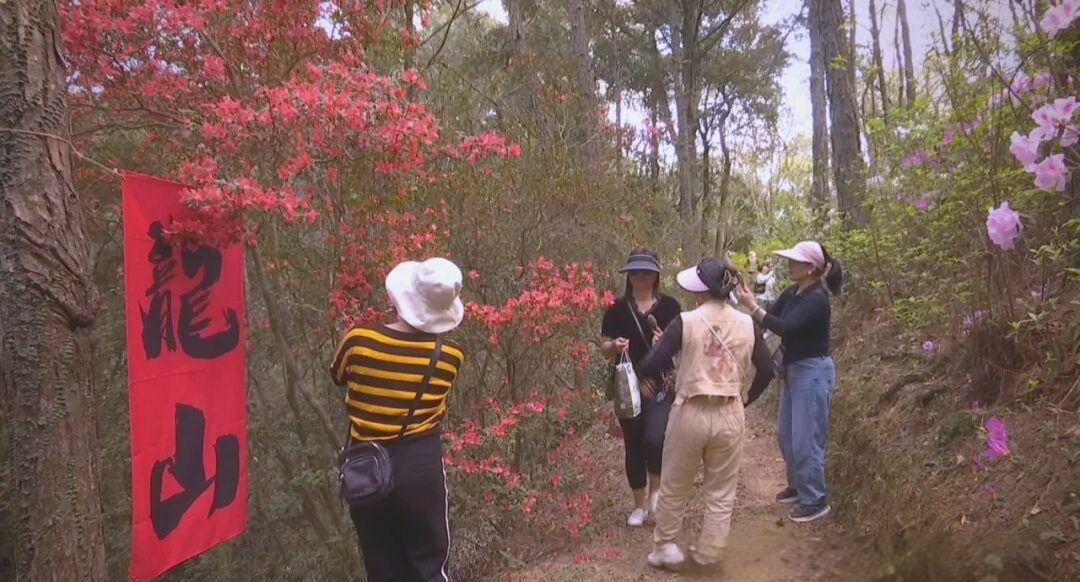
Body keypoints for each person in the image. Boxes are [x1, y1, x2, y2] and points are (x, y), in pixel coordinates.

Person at [330, 257, 466, 582]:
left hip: (365, 465)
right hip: (420, 467)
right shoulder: (450, 358)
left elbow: (338, 375)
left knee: (382, 567)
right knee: (429, 567)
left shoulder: (359, 341)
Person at [637, 258, 776, 571]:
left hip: (690, 410)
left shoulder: (685, 321)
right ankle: (709, 553)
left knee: (675, 484)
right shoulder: (748, 324)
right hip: (730, 411)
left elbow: (650, 364)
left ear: (700, 290)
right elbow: (767, 370)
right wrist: (746, 399)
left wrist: (668, 350)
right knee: (721, 491)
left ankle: (666, 547)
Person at [737, 240, 843, 523]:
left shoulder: (817, 299)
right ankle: (798, 486)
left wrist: (753, 308)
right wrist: (749, 305)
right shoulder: (793, 292)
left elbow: (787, 328)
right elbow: (770, 317)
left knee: (807, 437)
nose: (789, 265)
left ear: (810, 268)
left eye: (795, 261)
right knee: (787, 434)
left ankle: (815, 499)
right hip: (793, 370)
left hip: (813, 371)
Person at [600, 249, 682, 527]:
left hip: (660, 385)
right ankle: (639, 505)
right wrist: (614, 346)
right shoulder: (616, 309)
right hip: (628, 387)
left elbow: (681, 345)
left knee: (655, 439)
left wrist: (665, 341)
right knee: (633, 443)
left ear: (655, 275)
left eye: (646, 272)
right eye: (634, 272)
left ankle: (656, 494)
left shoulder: (670, 307)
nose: (640, 276)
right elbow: (604, 348)